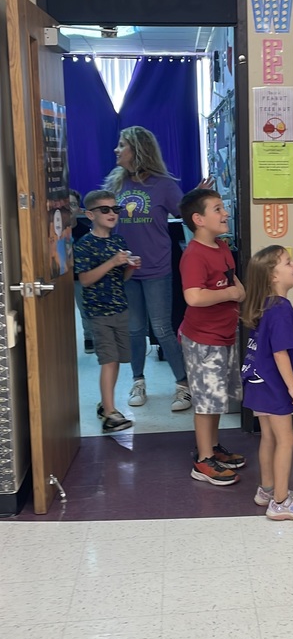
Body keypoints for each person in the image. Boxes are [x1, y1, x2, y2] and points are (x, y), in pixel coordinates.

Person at [104, 126, 192, 413]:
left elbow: (187, 214)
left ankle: (183, 384)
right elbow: (105, 221)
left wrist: (198, 198)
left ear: (138, 151)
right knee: (134, 330)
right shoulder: (116, 184)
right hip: (126, 270)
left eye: (122, 146)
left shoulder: (163, 185)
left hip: (157, 268)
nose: (117, 150)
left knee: (163, 329)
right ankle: (138, 380)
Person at [179, 187, 246, 486]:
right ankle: (203, 460)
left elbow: (233, 280)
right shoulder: (193, 255)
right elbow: (193, 297)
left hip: (223, 336)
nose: (225, 213)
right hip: (203, 340)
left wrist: (237, 291)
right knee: (206, 401)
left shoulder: (221, 247)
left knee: (216, 398)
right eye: (217, 209)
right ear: (198, 219)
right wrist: (230, 293)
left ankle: (213, 447)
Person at [241, 246, 293, 521]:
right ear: (273, 275)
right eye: (287, 262)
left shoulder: (265, 305)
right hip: (274, 385)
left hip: (257, 383)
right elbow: (280, 352)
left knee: (269, 437)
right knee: (287, 438)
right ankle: (281, 503)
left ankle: (267, 490)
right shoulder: (282, 309)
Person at [74, 190, 141, 434]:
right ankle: (111, 413)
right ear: (90, 214)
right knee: (108, 360)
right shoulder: (84, 245)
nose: (112, 214)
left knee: (118, 361)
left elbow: (121, 278)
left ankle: (107, 403)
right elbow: (85, 279)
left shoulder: (118, 242)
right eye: (105, 210)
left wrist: (130, 267)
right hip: (98, 312)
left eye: (116, 209)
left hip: (119, 308)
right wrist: (112, 262)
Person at [69, 189, 94, 352]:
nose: (68, 208)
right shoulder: (50, 229)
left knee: (85, 308)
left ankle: (88, 337)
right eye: (65, 204)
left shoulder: (85, 231)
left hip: (78, 277)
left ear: (79, 209)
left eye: (72, 204)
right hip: (58, 278)